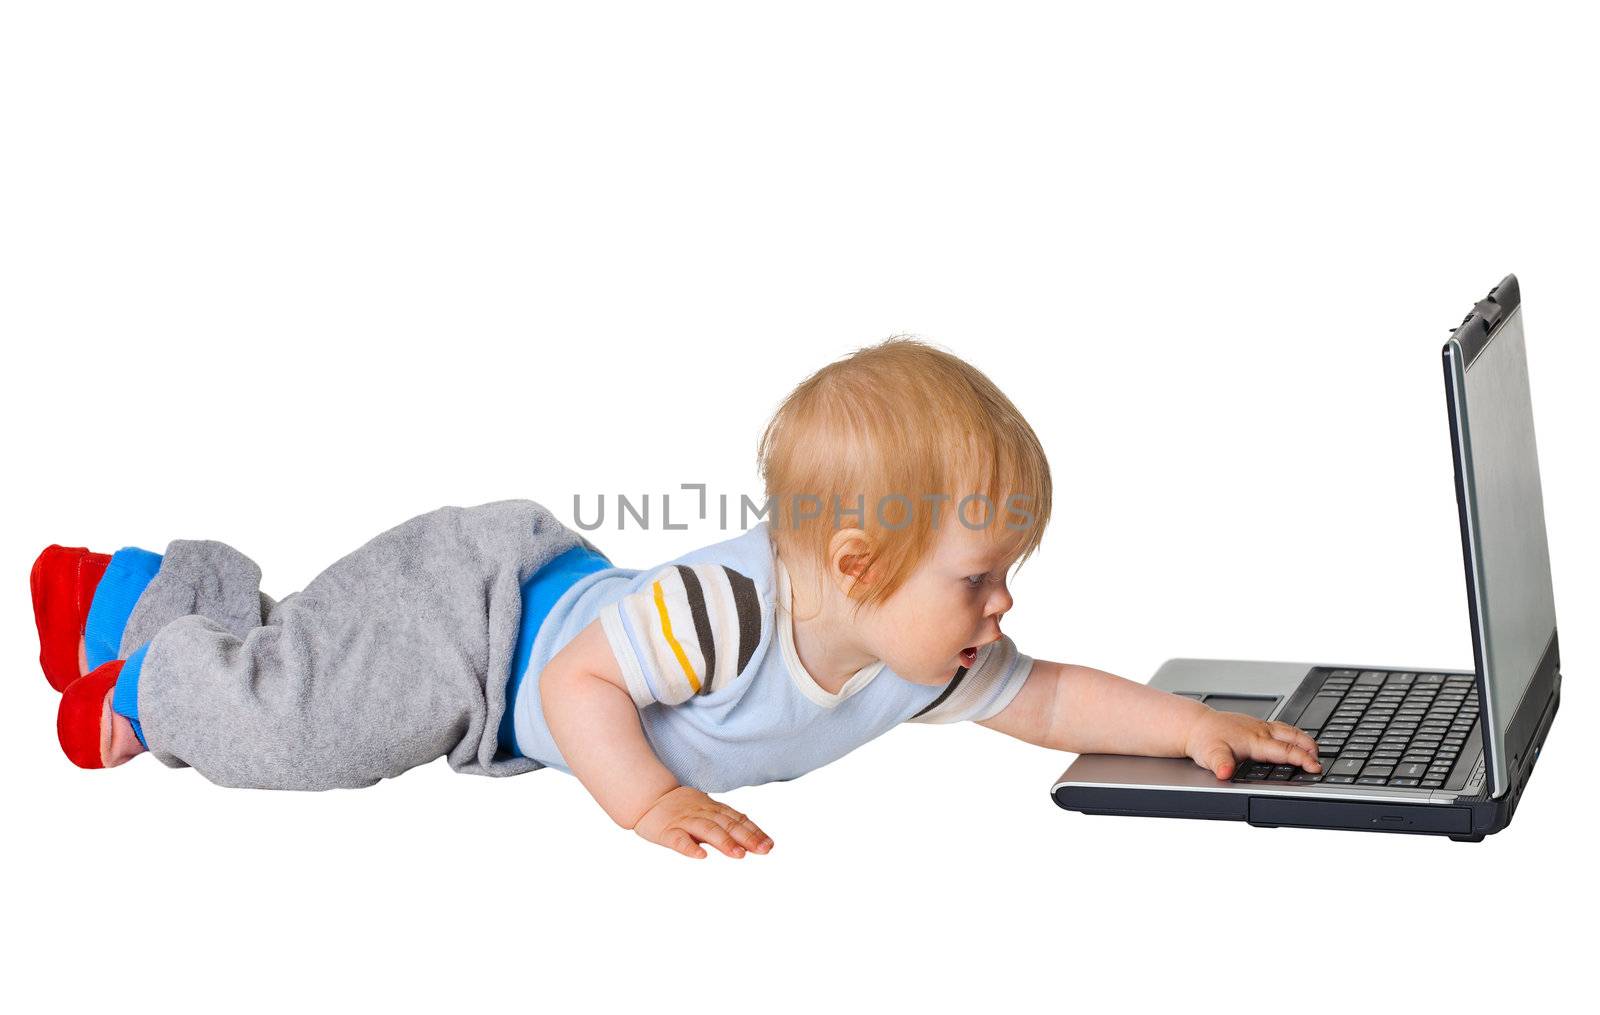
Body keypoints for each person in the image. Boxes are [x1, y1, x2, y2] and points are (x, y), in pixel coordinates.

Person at [31, 337, 1322, 859]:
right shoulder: (730, 614)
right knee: (303, 730)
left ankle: (144, 596)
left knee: (310, 648)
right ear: (862, 564)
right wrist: (645, 800)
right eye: (979, 580)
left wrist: (1188, 724)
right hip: (485, 626)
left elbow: (1044, 698)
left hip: (526, 633)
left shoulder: (912, 649)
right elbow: (575, 680)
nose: (1000, 610)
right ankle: (154, 677)